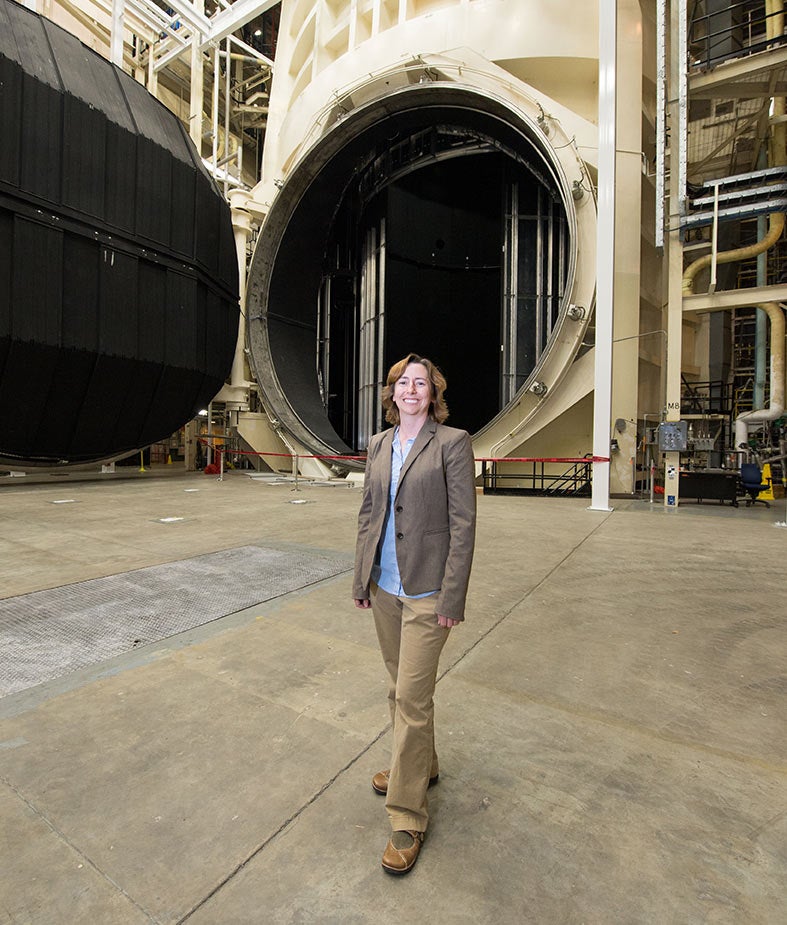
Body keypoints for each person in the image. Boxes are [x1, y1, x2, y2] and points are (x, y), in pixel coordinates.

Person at [353, 352, 477, 875]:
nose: (410, 389)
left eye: (420, 383)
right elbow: (369, 513)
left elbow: (463, 525)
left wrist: (452, 597)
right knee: (398, 686)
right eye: (403, 382)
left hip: (427, 590)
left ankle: (406, 816)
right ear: (391, 392)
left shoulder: (452, 443)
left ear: (433, 394)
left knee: (411, 695)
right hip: (384, 587)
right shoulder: (379, 444)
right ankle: (420, 765)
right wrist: (361, 578)